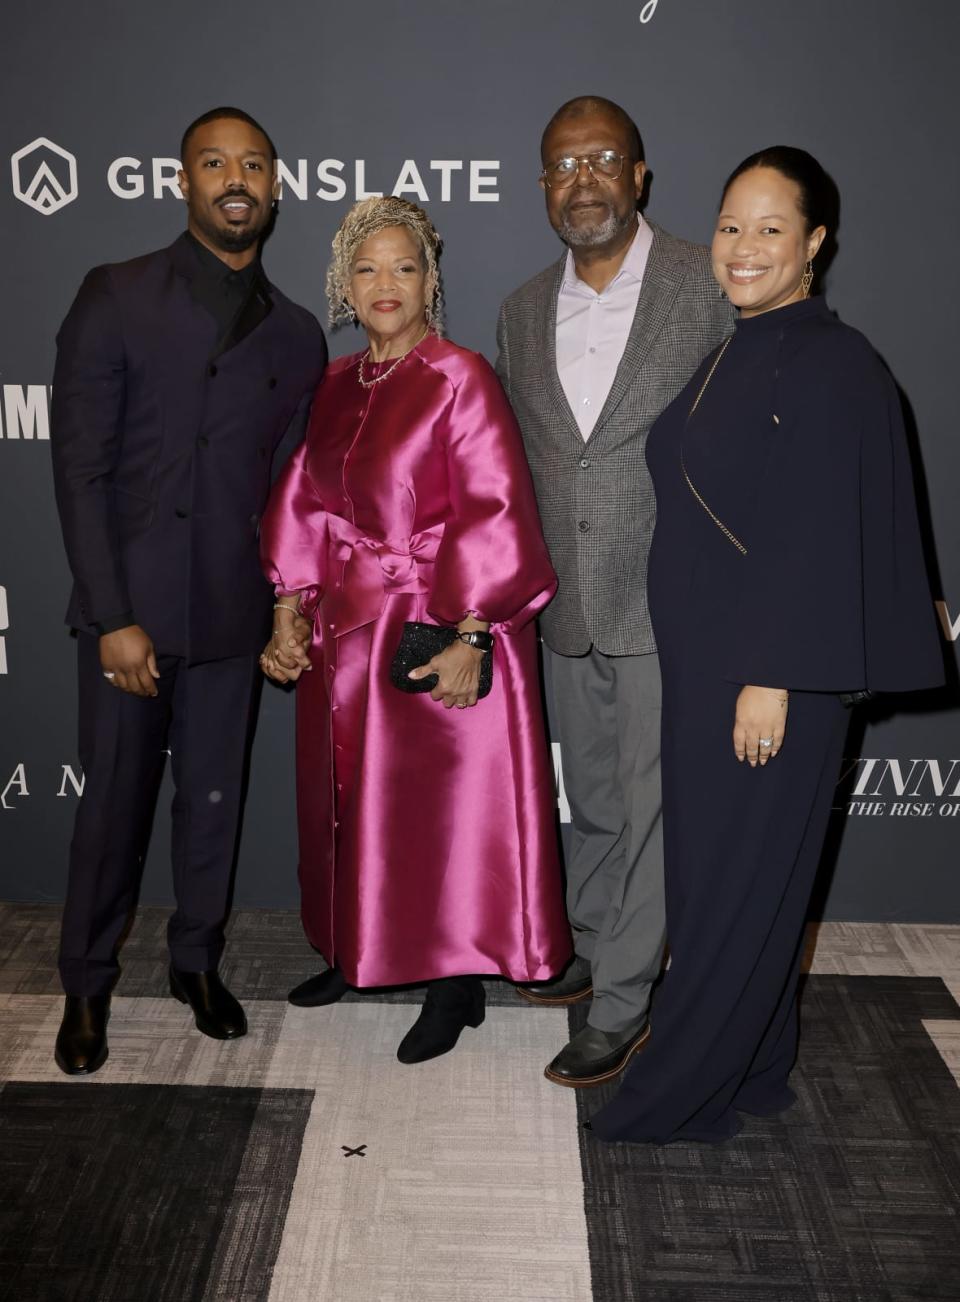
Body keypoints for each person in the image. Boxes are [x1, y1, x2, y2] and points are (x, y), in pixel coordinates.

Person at [588, 147, 944, 1144]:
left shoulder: (832, 364)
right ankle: (752, 1069)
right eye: (732, 226)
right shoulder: (746, 343)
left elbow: (817, 533)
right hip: (713, 667)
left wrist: (774, 678)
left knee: (736, 890)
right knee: (729, 884)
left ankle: (679, 1094)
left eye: (771, 229)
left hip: (769, 676)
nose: (743, 248)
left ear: (816, 242)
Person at [259, 196, 571, 1064]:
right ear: (343, 285)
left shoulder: (459, 376)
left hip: (436, 625)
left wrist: (473, 636)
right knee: (347, 801)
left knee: (438, 811)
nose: (385, 284)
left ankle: (455, 980)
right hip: (342, 633)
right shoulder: (332, 385)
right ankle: (353, 950)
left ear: (431, 280)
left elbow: (496, 506)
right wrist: (289, 607)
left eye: (404, 267)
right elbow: (302, 503)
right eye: (367, 269)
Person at [50, 107, 327, 1075]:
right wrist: (113, 615)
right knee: (111, 811)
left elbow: (291, 493)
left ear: (277, 188)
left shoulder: (297, 336)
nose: (235, 178)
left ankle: (194, 964)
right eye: (215, 163)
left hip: (230, 617)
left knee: (213, 802)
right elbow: (78, 469)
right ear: (183, 183)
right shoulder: (117, 294)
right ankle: (85, 984)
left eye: (253, 163)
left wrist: (283, 606)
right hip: (132, 617)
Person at [496, 96, 732, 1087]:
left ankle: (629, 999)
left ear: (639, 176)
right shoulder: (516, 309)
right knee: (590, 797)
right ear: (543, 186)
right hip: (567, 605)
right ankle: (596, 943)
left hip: (665, 597)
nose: (582, 178)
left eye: (603, 159)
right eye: (562, 165)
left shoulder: (704, 283)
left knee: (647, 806)